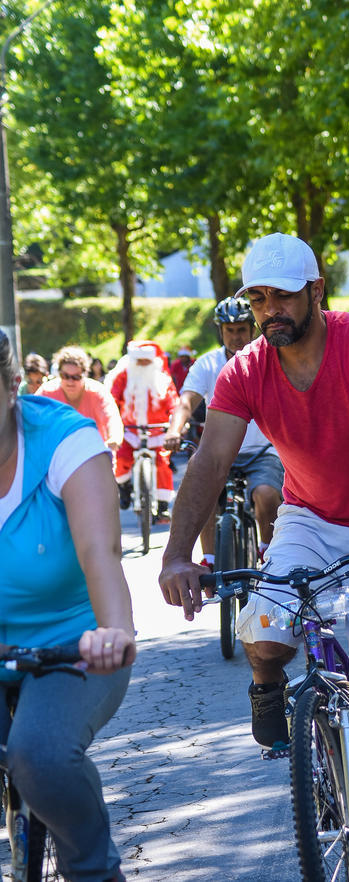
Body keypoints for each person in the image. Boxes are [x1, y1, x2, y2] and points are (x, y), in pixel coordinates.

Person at [159, 232, 349, 880]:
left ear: (316, 290)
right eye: (257, 298)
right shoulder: (246, 371)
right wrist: (175, 556)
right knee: (263, 622)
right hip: (308, 519)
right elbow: (209, 462)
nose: (269, 309)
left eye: (282, 295)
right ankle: (267, 688)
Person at [0, 329, 136, 882]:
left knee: (41, 755)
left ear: (13, 387)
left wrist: (114, 631)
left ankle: (93, 870)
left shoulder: (65, 440)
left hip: (73, 642)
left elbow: (99, 553)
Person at [164, 297, 284, 567]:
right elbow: (186, 401)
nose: (236, 336)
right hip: (220, 449)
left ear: (252, 329)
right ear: (221, 331)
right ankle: (209, 559)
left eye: (241, 329)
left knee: (266, 495)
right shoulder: (206, 364)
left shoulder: (271, 358)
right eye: (229, 330)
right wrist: (174, 430)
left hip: (263, 450)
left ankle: (268, 552)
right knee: (204, 493)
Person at [108, 340, 178, 521]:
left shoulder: (163, 378)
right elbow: (111, 399)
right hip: (129, 430)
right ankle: (124, 488)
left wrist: (176, 421)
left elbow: (173, 402)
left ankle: (162, 506)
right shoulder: (123, 377)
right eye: (139, 361)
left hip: (157, 431)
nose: (143, 365)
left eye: (146, 361)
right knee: (120, 457)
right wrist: (111, 420)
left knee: (162, 464)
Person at [36, 345, 123, 455]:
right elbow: (31, 419)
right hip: (57, 458)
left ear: (85, 374)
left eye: (76, 377)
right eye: (65, 376)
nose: (70, 382)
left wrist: (114, 438)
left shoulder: (97, 392)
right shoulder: (46, 393)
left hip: (93, 456)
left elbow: (112, 418)